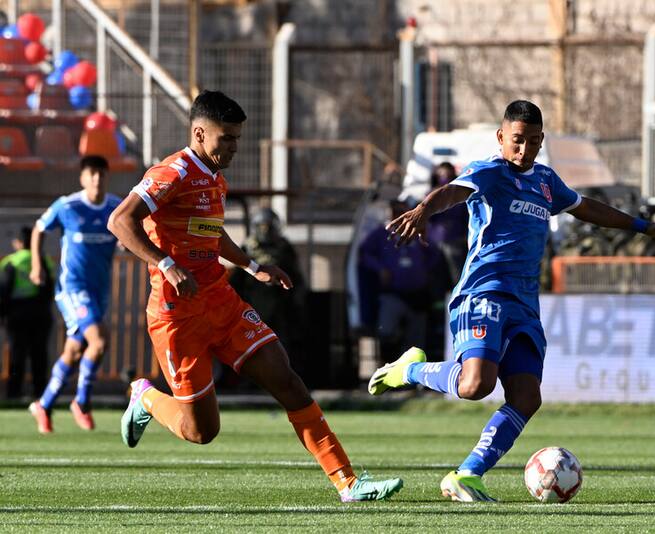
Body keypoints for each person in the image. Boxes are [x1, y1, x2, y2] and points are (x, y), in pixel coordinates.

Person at [368, 100, 655, 502]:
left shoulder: (547, 181)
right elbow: (452, 192)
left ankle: (467, 476)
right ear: (501, 138)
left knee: (527, 397)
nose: (523, 150)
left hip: (524, 305)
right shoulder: (490, 172)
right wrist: (424, 209)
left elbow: (587, 208)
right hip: (483, 293)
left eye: (532, 142)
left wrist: (644, 227)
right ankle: (409, 371)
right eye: (517, 141)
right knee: (475, 384)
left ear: (541, 140)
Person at [107, 90, 402, 502]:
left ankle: (348, 483)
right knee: (201, 431)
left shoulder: (215, 179)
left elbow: (211, 233)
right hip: (177, 314)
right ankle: (146, 397)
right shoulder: (170, 173)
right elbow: (120, 221)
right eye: (225, 138)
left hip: (220, 301)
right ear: (198, 132)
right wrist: (167, 265)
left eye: (237, 139)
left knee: (287, 380)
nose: (233, 147)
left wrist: (250, 265)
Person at [28, 155, 120, 433]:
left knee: (75, 350)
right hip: (72, 288)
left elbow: (134, 231)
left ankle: (43, 404)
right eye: (91, 173)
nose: (96, 178)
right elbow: (39, 229)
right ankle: (82, 402)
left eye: (101, 173)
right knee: (99, 340)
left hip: (99, 291)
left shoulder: (116, 208)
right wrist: (37, 265)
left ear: (107, 177)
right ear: (82, 177)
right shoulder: (68, 206)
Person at [228, 207, 307, 387]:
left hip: (279, 305)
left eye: (269, 227)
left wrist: (297, 298)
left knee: (280, 345)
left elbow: (295, 275)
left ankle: (281, 382)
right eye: (263, 226)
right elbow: (237, 279)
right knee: (250, 345)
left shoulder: (284, 247)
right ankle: (249, 383)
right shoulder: (248, 247)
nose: (266, 231)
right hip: (253, 306)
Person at [358, 199, 444, 363]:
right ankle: (387, 367)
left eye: (401, 212)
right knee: (387, 332)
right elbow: (365, 255)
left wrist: (425, 269)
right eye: (394, 212)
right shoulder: (381, 234)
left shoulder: (417, 231)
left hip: (417, 294)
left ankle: (412, 377)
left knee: (415, 339)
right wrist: (380, 269)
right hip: (393, 293)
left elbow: (434, 253)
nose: (397, 216)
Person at [0, 226, 55, 399]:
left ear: (17, 242)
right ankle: (40, 393)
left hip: (17, 314)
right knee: (39, 354)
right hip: (40, 312)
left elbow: (4, 291)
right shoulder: (44, 260)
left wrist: (3, 314)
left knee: (17, 354)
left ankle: (14, 393)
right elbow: (49, 288)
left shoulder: (11, 261)